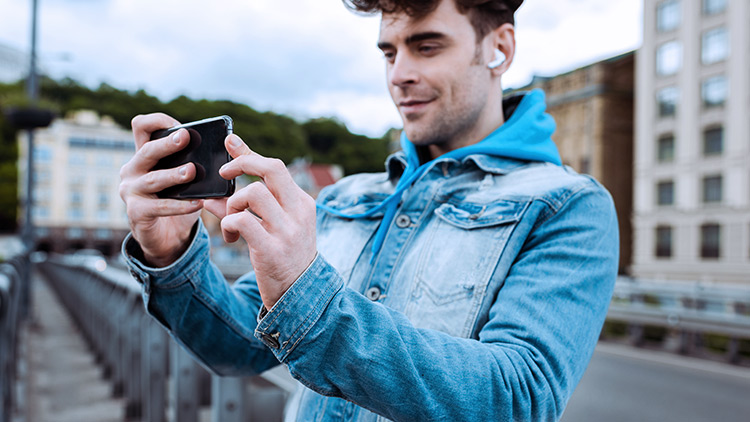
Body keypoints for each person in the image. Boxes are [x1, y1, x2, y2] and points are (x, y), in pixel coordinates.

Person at [118, 0, 619, 420]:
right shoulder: (343, 196)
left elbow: (518, 399)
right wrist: (169, 254)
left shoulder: (570, 207)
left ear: (500, 48)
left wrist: (308, 297)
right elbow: (237, 346)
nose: (399, 75)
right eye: (389, 52)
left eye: (427, 46)